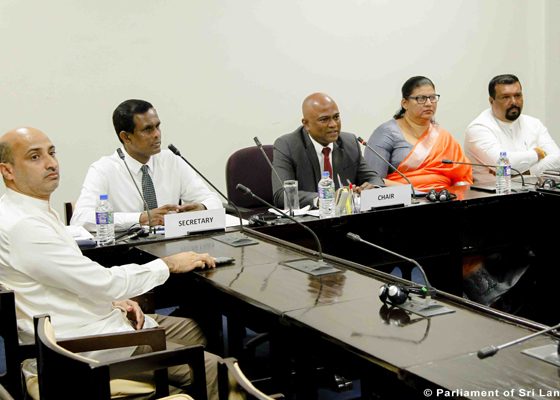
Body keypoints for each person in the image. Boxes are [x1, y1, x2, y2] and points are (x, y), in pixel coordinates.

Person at [0, 127, 220, 398]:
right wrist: (167, 265)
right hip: (83, 345)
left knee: (194, 332)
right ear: (8, 171)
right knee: (215, 370)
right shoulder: (24, 226)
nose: (51, 163)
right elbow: (102, 282)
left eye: (52, 153)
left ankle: (179, 384)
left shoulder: (25, 210)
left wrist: (113, 300)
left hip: (87, 319)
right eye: (35, 157)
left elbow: (70, 278)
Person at [70, 99, 222, 231]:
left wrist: (202, 208)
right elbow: (81, 219)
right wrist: (140, 218)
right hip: (128, 251)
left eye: (157, 126)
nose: (157, 134)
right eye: (148, 129)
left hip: (175, 244)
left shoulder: (172, 160)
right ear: (126, 137)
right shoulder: (103, 170)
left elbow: (213, 200)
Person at [272, 92, 384, 208]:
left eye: (336, 117)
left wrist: (371, 188)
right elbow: (281, 194)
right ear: (306, 124)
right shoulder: (287, 145)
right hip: (310, 216)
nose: (333, 124)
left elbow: (374, 178)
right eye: (324, 119)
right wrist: (324, 199)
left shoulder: (349, 142)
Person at [365, 76, 472, 191]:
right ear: (405, 103)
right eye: (421, 98)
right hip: (404, 199)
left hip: (445, 198)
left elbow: (462, 176)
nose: (429, 103)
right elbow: (373, 181)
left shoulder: (443, 137)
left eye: (432, 98)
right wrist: (413, 191)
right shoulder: (385, 133)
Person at [464, 74, 560, 183]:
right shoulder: (478, 128)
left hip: (535, 190)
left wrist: (523, 172)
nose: (514, 102)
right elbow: (504, 165)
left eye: (517, 95)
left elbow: (557, 160)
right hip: (495, 192)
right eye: (506, 97)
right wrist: (537, 154)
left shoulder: (534, 123)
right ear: (491, 101)